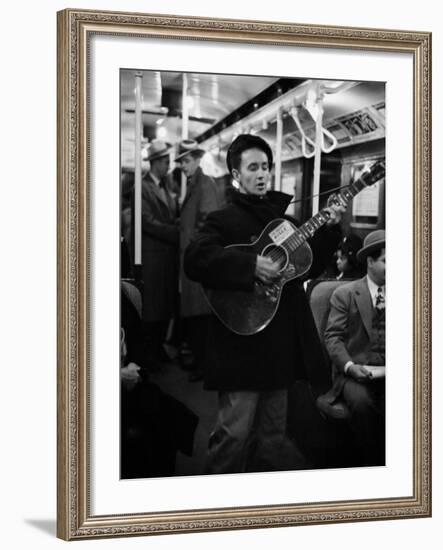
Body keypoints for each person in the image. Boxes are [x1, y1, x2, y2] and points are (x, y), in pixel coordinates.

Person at [184, 134, 344, 474]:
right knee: (233, 435)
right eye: (253, 167)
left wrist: (329, 231)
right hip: (239, 343)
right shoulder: (222, 219)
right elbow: (195, 259)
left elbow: (307, 266)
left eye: (266, 167)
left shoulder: (284, 223)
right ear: (236, 174)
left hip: (278, 345)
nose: (261, 174)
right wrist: (249, 265)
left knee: (272, 438)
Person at [322, 229, 386, 466]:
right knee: (362, 404)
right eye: (386, 261)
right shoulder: (345, 294)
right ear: (370, 261)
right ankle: (373, 465)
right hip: (354, 373)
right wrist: (349, 366)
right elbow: (333, 338)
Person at [175, 139, 226, 382]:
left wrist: (191, 242)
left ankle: (204, 366)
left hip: (198, 259)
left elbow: (207, 222)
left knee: (200, 317)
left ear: (197, 160)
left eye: (186, 161)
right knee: (195, 317)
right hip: (191, 258)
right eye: (181, 162)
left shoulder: (204, 185)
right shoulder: (196, 184)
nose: (183, 166)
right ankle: (200, 362)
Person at [141, 140, 179, 368]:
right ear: (155, 163)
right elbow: (147, 222)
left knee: (165, 305)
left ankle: (158, 348)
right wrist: (177, 232)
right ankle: (150, 351)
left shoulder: (166, 187)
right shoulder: (142, 187)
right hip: (153, 257)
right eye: (165, 162)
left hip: (167, 257)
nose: (168, 166)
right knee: (153, 307)